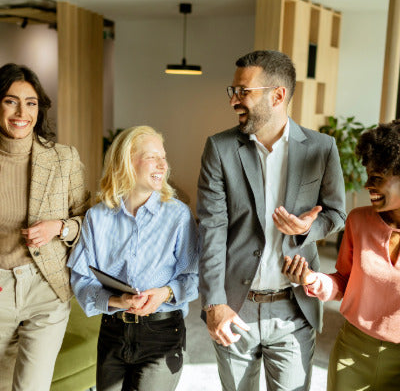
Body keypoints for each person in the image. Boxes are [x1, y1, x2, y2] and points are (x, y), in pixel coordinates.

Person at [197, 50, 346, 391]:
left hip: (294, 307)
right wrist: (214, 304)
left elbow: (337, 214)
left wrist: (310, 228)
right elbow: (211, 229)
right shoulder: (219, 148)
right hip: (235, 307)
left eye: (243, 91)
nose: (234, 100)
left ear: (278, 95)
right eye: (232, 91)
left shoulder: (322, 147)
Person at [68, 125, 199, 391]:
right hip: (112, 331)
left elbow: (194, 276)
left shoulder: (178, 215)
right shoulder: (97, 217)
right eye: (152, 157)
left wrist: (164, 293)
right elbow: (81, 278)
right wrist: (117, 300)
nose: (162, 165)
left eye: (163, 157)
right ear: (127, 161)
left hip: (163, 334)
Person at [282, 120, 400, 391]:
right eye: (368, 174)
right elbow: (344, 283)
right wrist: (312, 279)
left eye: (378, 177)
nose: (367, 184)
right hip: (353, 351)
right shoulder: (358, 221)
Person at [0, 63, 90, 391]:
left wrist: (59, 228)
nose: (21, 111)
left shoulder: (63, 159)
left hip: (45, 288)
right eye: (11, 101)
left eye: (31, 102)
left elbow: (88, 221)